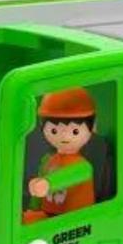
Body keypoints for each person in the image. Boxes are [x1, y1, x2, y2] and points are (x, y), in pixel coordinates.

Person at [24, 87, 98, 224]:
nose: (64, 136)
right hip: (49, 216)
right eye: (54, 130)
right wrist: (33, 209)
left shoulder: (83, 166)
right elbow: (39, 196)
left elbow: (69, 175)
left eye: (75, 131)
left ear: (93, 128)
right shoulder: (49, 160)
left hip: (74, 221)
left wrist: (48, 184)